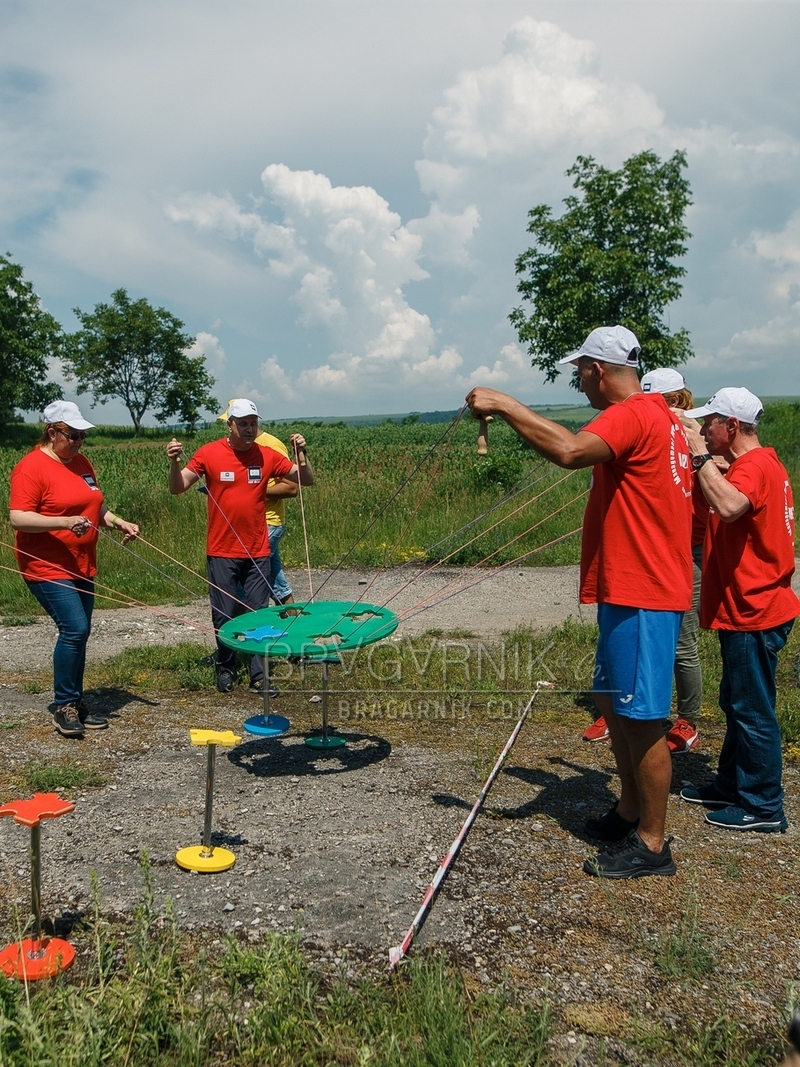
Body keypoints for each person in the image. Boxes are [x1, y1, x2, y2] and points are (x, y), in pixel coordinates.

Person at [467, 325, 693, 879]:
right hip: (633, 587)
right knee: (612, 702)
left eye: (579, 372)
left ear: (597, 369)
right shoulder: (659, 415)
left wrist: (503, 402)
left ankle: (652, 843)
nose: (578, 383)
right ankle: (630, 808)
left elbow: (569, 450)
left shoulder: (631, 413)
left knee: (642, 718)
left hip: (643, 591)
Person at [679, 387, 799, 832]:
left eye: (710, 423)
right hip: (752, 608)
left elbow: (729, 506)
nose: (705, 430)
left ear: (731, 427)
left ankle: (764, 805)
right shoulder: (759, 463)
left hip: (755, 611)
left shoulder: (752, 468)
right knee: (735, 701)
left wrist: (697, 458)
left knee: (752, 710)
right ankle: (731, 783)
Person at [583, 366, 705, 754]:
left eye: (668, 398)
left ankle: (685, 717)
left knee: (682, 646)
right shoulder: (651, 424)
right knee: (627, 678)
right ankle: (623, 710)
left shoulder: (675, 430)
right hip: (657, 557)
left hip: (674, 557)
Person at [9, 401, 140, 739]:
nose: (80, 440)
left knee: (80, 633)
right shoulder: (31, 467)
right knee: (75, 628)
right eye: (73, 434)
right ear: (52, 433)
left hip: (82, 563)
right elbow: (18, 517)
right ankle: (64, 705)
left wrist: (117, 521)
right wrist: (64, 522)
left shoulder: (81, 462)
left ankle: (77, 701)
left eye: (83, 434)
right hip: (46, 565)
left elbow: (94, 506)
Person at [167, 399, 314, 693]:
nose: (249, 429)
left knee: (258, 613)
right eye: (243, 423)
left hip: (258, 549)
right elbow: (177, 487)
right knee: (224, 613)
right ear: (230, 425)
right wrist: (174, 462)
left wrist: (302, 455)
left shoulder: (268, 455)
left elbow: (305, 480)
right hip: (221, 550)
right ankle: (225, 667)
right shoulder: (209, 453)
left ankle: (259, 675)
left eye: (253, 423)